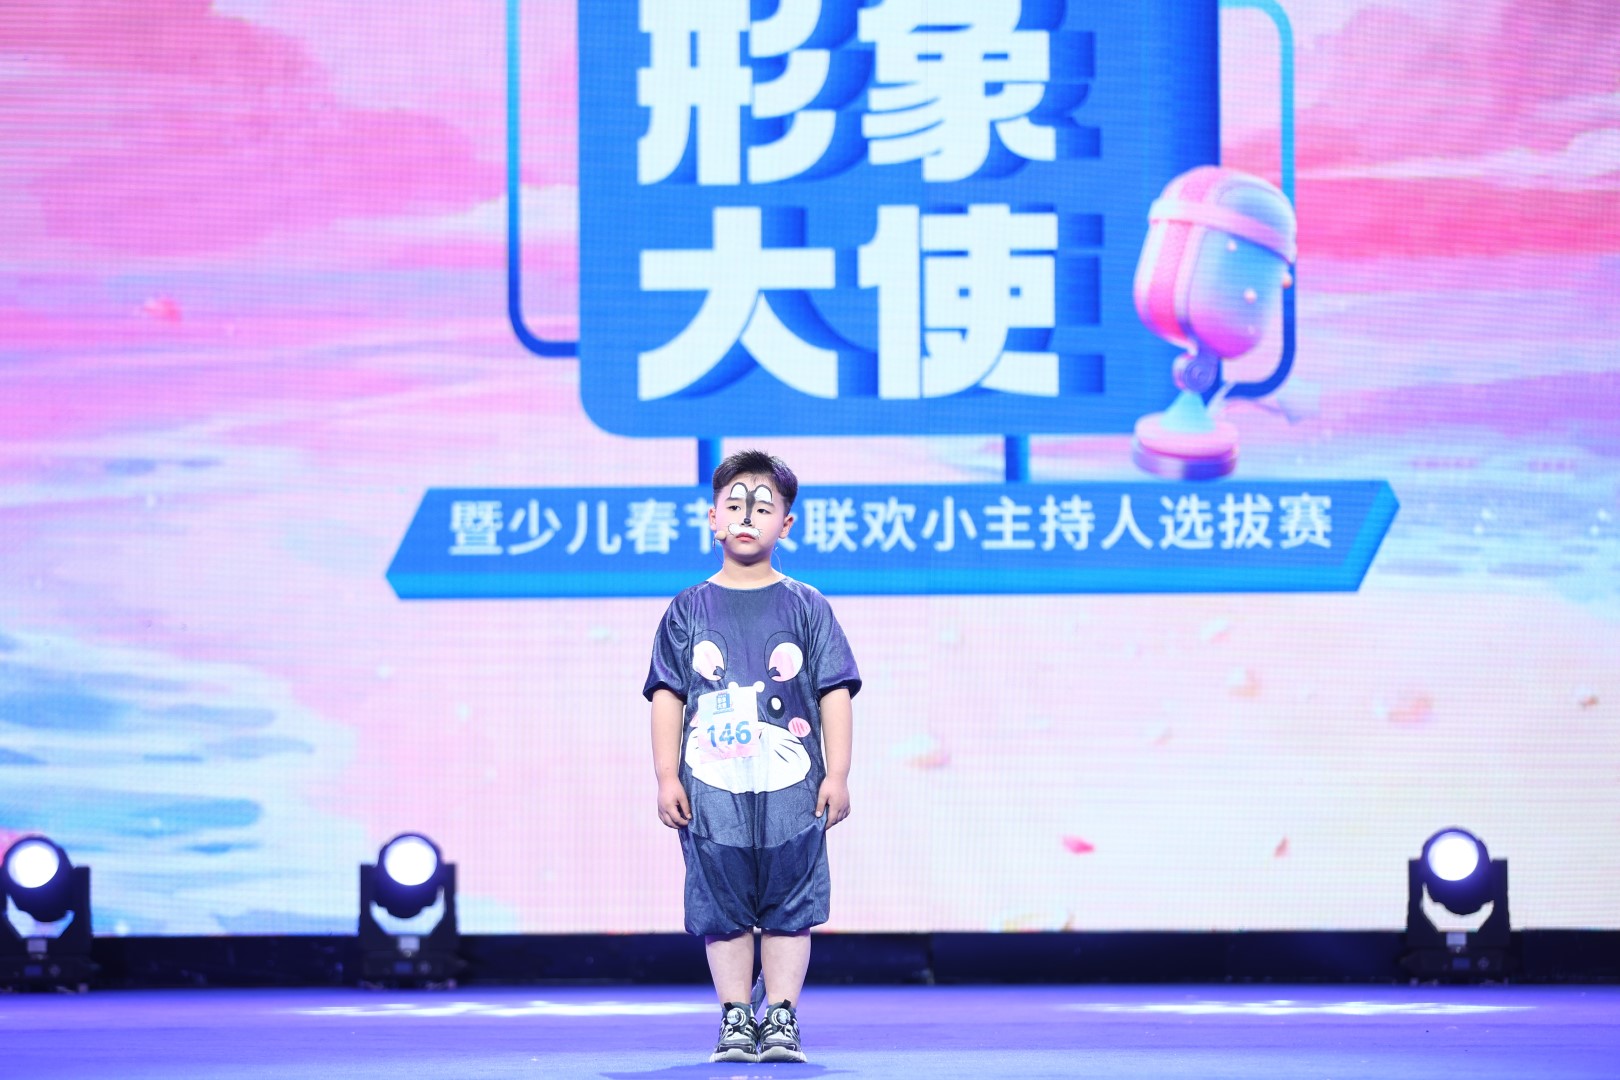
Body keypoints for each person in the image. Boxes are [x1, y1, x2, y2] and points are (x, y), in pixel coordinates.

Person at [644, 449, 860, 1064]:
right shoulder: (687, 609)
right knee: (722, 901)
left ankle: (782, 1016)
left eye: (762, 508)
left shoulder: (807, 605)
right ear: (713, 518)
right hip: (712, 785)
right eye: (734, 506)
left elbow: (834, 692)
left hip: (793, 784)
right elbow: (667, 695)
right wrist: (666, 775)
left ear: (785, 524)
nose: (746, 517)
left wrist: (838, 773)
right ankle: (736, 1017)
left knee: (792, 903)